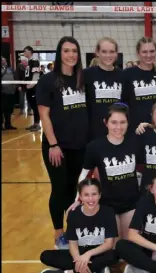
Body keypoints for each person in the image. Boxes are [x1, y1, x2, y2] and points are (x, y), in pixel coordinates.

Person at [37, 36, 89, 250]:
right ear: (59, 54)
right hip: (58, 146)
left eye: (74, 51)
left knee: (73, 189)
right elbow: (44, 115)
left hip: (80, 145)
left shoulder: (81, 80)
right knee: (59, 189)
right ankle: (59, 234)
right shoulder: (48, 80)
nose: (71, 55)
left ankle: (72, 231)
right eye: (66, 51)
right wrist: (53, 144)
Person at [70, 103, 140, 241]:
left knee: (129, 247)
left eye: (122, 122)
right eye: (114, 122)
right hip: (108, 205)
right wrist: (78, 199)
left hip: (131, 203)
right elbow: (84, 175)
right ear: (105, 122)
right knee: (113, 249)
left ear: (128, 123)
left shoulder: (135, 142)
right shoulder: (95, 147)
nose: (118, 127)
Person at [39, 178, 118, 273]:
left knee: (114, 255)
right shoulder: (73, 214)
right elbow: (72, 243)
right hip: (80, 252)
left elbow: (109, 244)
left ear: (99, 195)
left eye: (94, 194)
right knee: (45, 255)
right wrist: (78, 259)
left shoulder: (108, 212)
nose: (90, 199)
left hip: (98, 252)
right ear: (80, 197)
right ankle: (97, 269)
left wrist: (88, 254)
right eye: (86, 195)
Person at [121, 37, 156, 133]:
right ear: (138, 53)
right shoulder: (128, 74)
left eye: (152, 51)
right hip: (136, 129)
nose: (148, 55)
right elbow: (124, 102)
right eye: (144, 52)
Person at [84, 37, 123, 141]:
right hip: (94, 132)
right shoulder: (86, 75)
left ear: (116, 53)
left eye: (112, 52)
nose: (108, 55)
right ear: (97, 52)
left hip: (117, 132)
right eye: (104, 51)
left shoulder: (122, 75)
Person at [23, 45, 43, 131]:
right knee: (32, 105)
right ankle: (35, 123)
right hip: (29, 87)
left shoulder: (34, 60)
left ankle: (37, 124)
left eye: (25, 51)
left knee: (36, 106)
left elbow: (36, 74)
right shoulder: (28, 62)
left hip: (33, 87)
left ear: (29, 52)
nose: (24, 53)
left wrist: (32, 84)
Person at [1, 56, 17, 130]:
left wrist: (15, 87)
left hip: (10, 92)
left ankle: (8, 124)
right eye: (3, 60)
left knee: (9, 109)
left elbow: (14, 77)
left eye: (5, 60)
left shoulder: (10, 69)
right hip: (2, 93)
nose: (5, 61)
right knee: (2, 109)